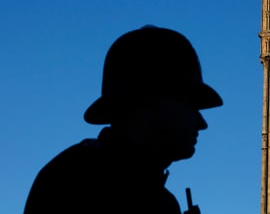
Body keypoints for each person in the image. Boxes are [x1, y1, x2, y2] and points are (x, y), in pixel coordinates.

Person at [24, 25, 223, 214]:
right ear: (151, 101)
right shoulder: (74, 181)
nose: (201, 123)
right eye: (191, 106)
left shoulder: (74, 173)